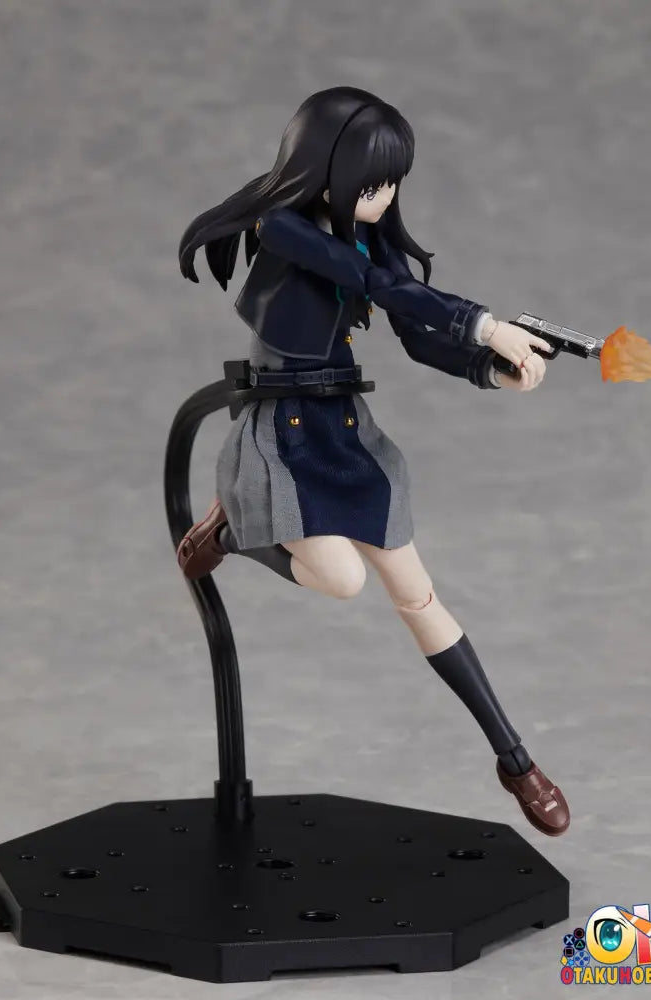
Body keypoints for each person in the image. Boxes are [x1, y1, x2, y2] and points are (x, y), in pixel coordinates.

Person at [176, 87, 569, 836]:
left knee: (419, 597)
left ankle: (516, 760)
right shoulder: (285, 228)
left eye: (391, 185)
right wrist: (486, 326)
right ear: (324, 169)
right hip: (284, 431)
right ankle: (233, 529)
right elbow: (378, 287)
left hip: (347, 432)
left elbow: (413, 323)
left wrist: (491, 369)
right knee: (341, 580)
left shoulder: (367, 238)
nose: (383, 200)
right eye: (370, 184)